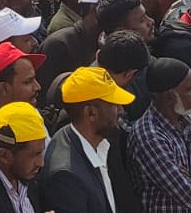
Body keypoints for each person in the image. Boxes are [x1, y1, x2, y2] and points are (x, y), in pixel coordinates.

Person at [126, 57, 191, 213]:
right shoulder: (149, 136)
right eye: (189, 89)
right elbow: (190, 196)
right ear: (169, 96)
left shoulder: (190, 120)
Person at [35, 67, 139, 213]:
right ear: (90, 113)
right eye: (114, 104)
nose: (121, 110)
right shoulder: (66, 178)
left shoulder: (93, 140)